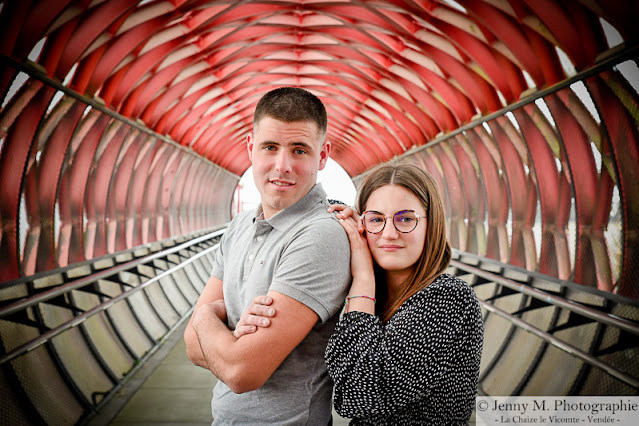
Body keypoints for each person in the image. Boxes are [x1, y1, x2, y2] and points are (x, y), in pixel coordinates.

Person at [241, 162, 484, 424]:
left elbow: (357, 396)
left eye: (406, 219)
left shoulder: (448, 299)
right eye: (376, 219)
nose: (389, 234)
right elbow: (312, 211)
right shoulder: (381, 298)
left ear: (431, 224)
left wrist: (364, 279)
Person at [183, 87, 351, 425]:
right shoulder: (240, 226)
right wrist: (220, 340)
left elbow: (242, 372)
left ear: (322, 156)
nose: (282, 166)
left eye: (299, 150)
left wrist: (204, 318)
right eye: (270, 147)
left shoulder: (321, 235)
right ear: (250, 148)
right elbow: (190, 346)